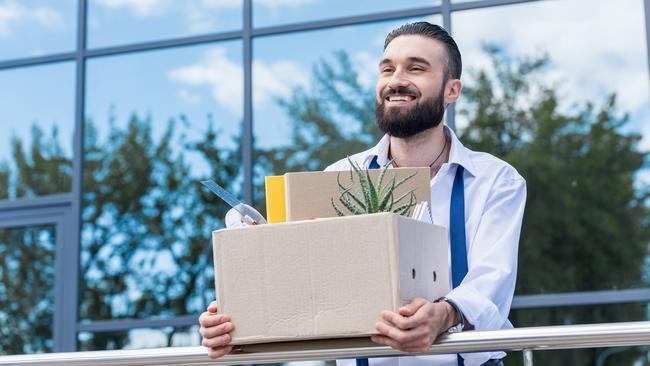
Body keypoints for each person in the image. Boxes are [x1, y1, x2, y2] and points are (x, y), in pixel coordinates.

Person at [198, 22, 526, 366]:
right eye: (387, 69)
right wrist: (235, 327)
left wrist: (445, 315)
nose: (396, 79)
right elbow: (303, 290)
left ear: (452, 90)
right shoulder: (338, 176)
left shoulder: (495, 180)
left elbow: (492, 281)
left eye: (416, 68)